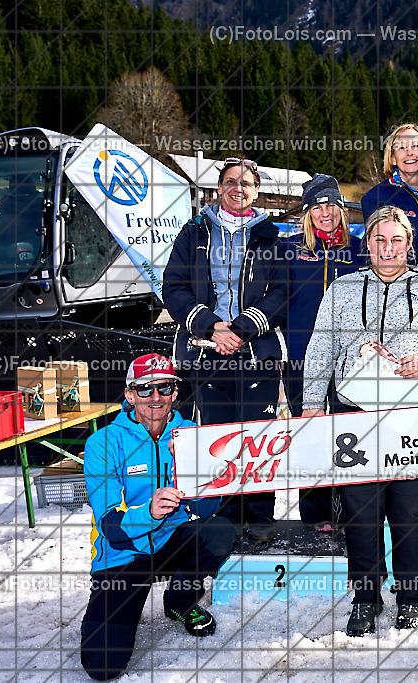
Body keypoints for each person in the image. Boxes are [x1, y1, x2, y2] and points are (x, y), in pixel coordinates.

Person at [302, 206, 418, 636]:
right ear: (368, 242)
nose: (388, 248)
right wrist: (310, 403)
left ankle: (412, 596)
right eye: (379, 239)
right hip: (355, 417)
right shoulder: (342, 290)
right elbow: (319, 350)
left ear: (409, 243)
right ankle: (365, 597)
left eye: (397, 239)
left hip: (413, 417)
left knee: (410, 511)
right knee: (361, 513)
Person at [80, 354, 236, 681]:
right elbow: (111, 527)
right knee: (102, 666)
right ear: (129, 394)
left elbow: (208, 509)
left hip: (171, 541)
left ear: (175, 393)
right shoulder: (103, 442)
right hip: (124, 554)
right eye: (145, 389)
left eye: (164, 388)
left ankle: (180, 601)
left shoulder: (191, 434)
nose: (155, 398)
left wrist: (215, 485)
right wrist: (149, 512)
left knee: (218, 531)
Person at [163, 157, 288, 542]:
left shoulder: (270, 236)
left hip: (256, 353)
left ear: (256, 191)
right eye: (231, 182)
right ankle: (226, 518)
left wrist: (242, 328)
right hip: (205, 352)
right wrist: (211, 327)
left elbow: (282, 293)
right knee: (219, 438)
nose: (239, 188)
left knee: (257, 439)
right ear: (219, 189)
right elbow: (173, 288)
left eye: (247, 183)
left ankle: (261, 517)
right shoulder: (193, 232)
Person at [284, 173, 366, 532]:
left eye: (331, 204)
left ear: (342, 208)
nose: (325, 212)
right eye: (316, 206)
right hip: (303, 359)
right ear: (306, 212)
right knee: (313, 434)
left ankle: (353, 508)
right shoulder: (289, 250)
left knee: (352, 433)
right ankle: (316, 515)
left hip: (351, 360)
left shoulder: (359, 251)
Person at [362, 123, 418, 274]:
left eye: (415, 146)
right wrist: (414, 268)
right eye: (401, 148)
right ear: (393, 158)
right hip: (398, 285)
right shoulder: (376, 198)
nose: (409, 153)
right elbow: (378, 249)